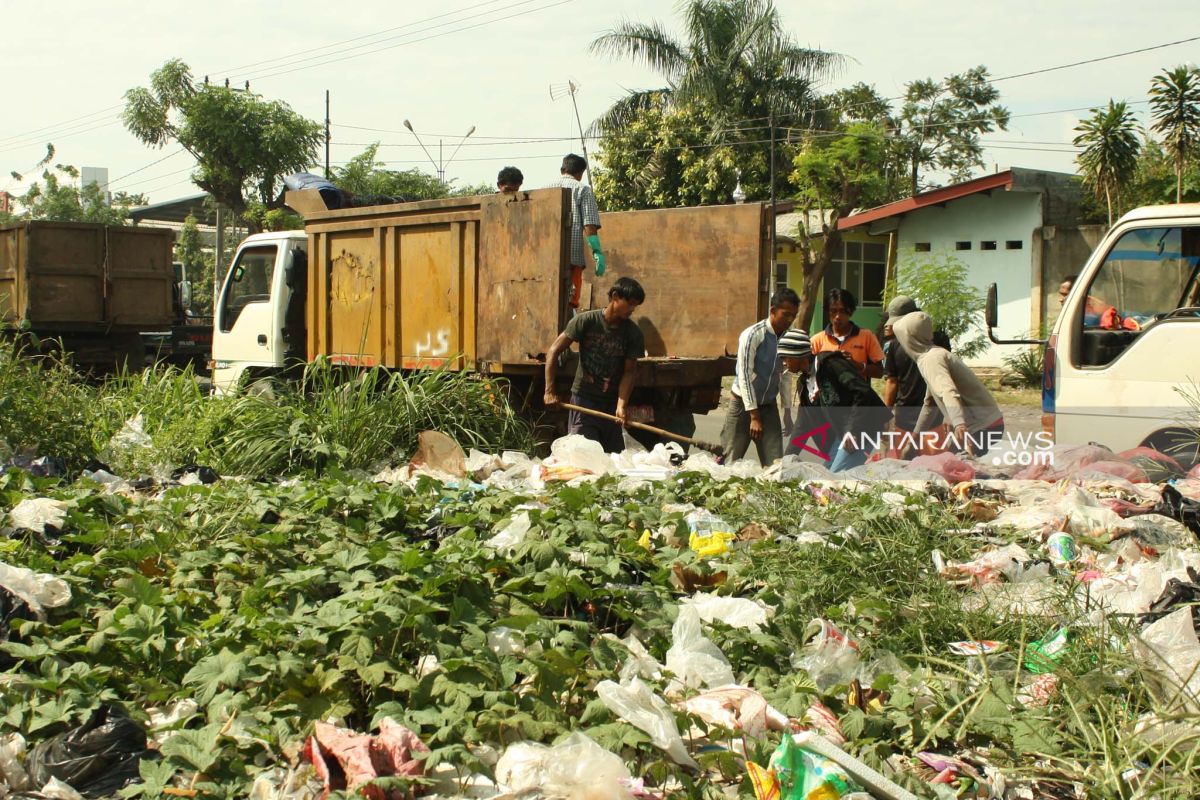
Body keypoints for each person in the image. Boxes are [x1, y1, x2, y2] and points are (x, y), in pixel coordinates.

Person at [543, 277, 646, 453]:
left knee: (613, 460)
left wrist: (621, 406)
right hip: (584, 401)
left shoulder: (633, 333)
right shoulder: (586, 321)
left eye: (635, 306)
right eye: (629, 304)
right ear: (615, 296)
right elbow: (553, 351)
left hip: (611, 405)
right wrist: (549, 391)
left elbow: (629, 373)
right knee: (583, 455)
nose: (632, 309)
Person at [892, 311, 1005, 457]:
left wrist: (959, 424)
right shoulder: (931, 356)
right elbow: (930, 403)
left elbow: (948, 391)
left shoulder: (931, 359)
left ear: (910, 339)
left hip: (981, 426)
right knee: (950, 462)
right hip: (982, 424)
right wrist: (914, 440)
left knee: (958, 469)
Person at [780, 329, 891, 472]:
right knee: (825, 474)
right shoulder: (804, 384)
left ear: (798, 355)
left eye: (786, 357)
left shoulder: (832, 365)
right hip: (843, 432)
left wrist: (853, 429)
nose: (784, 363)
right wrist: (786, 460)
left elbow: (861, 391)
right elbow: (802, 424)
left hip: (863, 427)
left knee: (834, 477)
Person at [721, 288, 799, 466]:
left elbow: (785, 376)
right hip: (742, 405)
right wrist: (754, 416)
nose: (789, 320)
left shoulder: (788, 337)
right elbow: (745, 377)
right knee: (730, 460)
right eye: (785, 314)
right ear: (772, 311)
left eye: (793, 316)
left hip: (768, 405)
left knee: (775, 464)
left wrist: (787, 411)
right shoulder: (753, 335)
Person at [882, 295, 951, 440]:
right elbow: (892, 381)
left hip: (932, 417)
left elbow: (947, 380)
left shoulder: (938, 341)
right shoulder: (895, 345)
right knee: (909, 462)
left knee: (930, 462)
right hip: (907, 419)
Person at [545, 154, 604, 312]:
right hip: (573, 257)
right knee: (570, 301)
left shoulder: (545, 189)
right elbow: (589, 225)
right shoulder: (582, 189)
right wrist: (597, 252)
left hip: (547, 258)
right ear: (580, 173)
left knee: (550, 300)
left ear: (562, 169)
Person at [810, 288, 884, 379]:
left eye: (842, 311)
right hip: (826, 393)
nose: (837, 316)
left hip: (857, 392)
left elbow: (880, 372)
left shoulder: (867, 336)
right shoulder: (817, 340)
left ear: (850, 312)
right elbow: (808, 370)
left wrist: (858, 366)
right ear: (827, 312)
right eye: (833, 311)